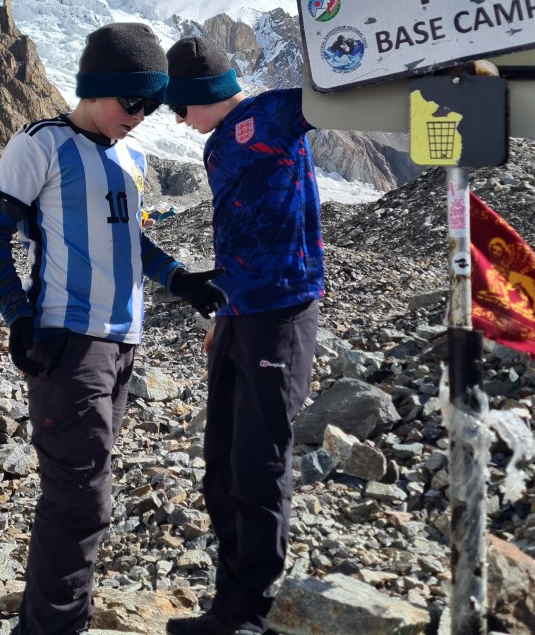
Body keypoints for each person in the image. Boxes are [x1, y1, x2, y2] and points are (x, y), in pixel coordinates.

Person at [0, 22, 226, 635]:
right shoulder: (40, 144)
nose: (140, 115)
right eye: (132, 100)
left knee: (87, 492)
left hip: (123, 344)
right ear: (96, 88)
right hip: (67, 342)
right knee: (81, 499)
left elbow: (129, 241)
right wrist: (19, 315)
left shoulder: (131, 158)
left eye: (152, 104)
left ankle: (60, 622)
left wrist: (181, 280)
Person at [163, 37, 323, 635]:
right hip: (239, 315)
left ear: (202, 94)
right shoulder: (215, 145)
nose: (178, 120)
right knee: (223, 465)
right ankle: (228, 607)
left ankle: (251, 615)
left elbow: (336, 87)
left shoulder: (277, 113)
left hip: (281, 314)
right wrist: (223, 317)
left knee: (259, 464)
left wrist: (356, 1)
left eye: (181, 107)